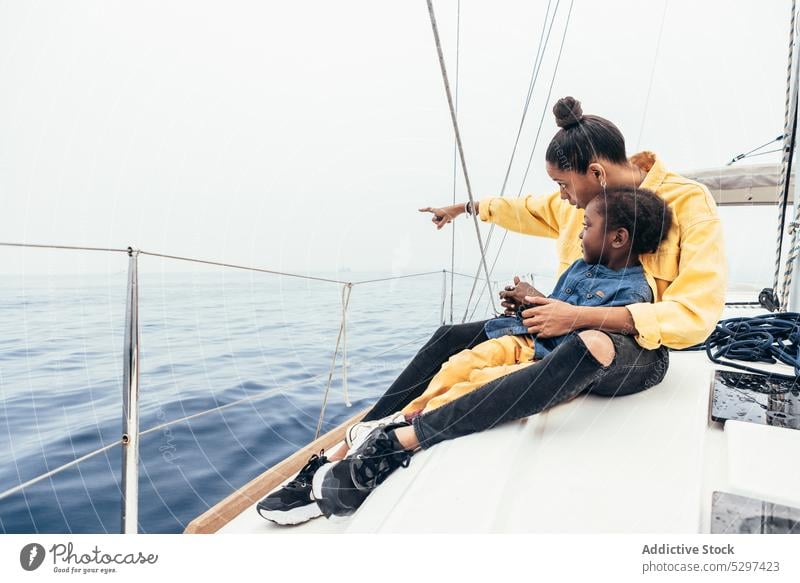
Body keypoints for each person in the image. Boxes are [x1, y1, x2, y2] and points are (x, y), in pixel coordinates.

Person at [257, 96, 727, 525]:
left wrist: (574, 316)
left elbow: (695, 314)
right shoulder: (581, 204)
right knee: (451, 336)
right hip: (558, 326)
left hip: (634, 348)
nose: (562, 197)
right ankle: (349, 444)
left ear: (596, 175)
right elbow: (523, 208)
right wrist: (465, 208)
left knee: (589, 345)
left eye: (564, 185)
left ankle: (405, 440)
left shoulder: (688, 203)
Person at [398, 186, 671, 417]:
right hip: (526, 340)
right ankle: (408, 413)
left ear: (618, 238)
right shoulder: (578, 267)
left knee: (478, 382)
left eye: (587, 226)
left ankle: (426, 418)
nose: (579, 234)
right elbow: (555, 308)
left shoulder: (633, 292)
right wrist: (528, 303)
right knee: (460, 363)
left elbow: (586, 352)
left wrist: (539, 303)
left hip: (546, 361)